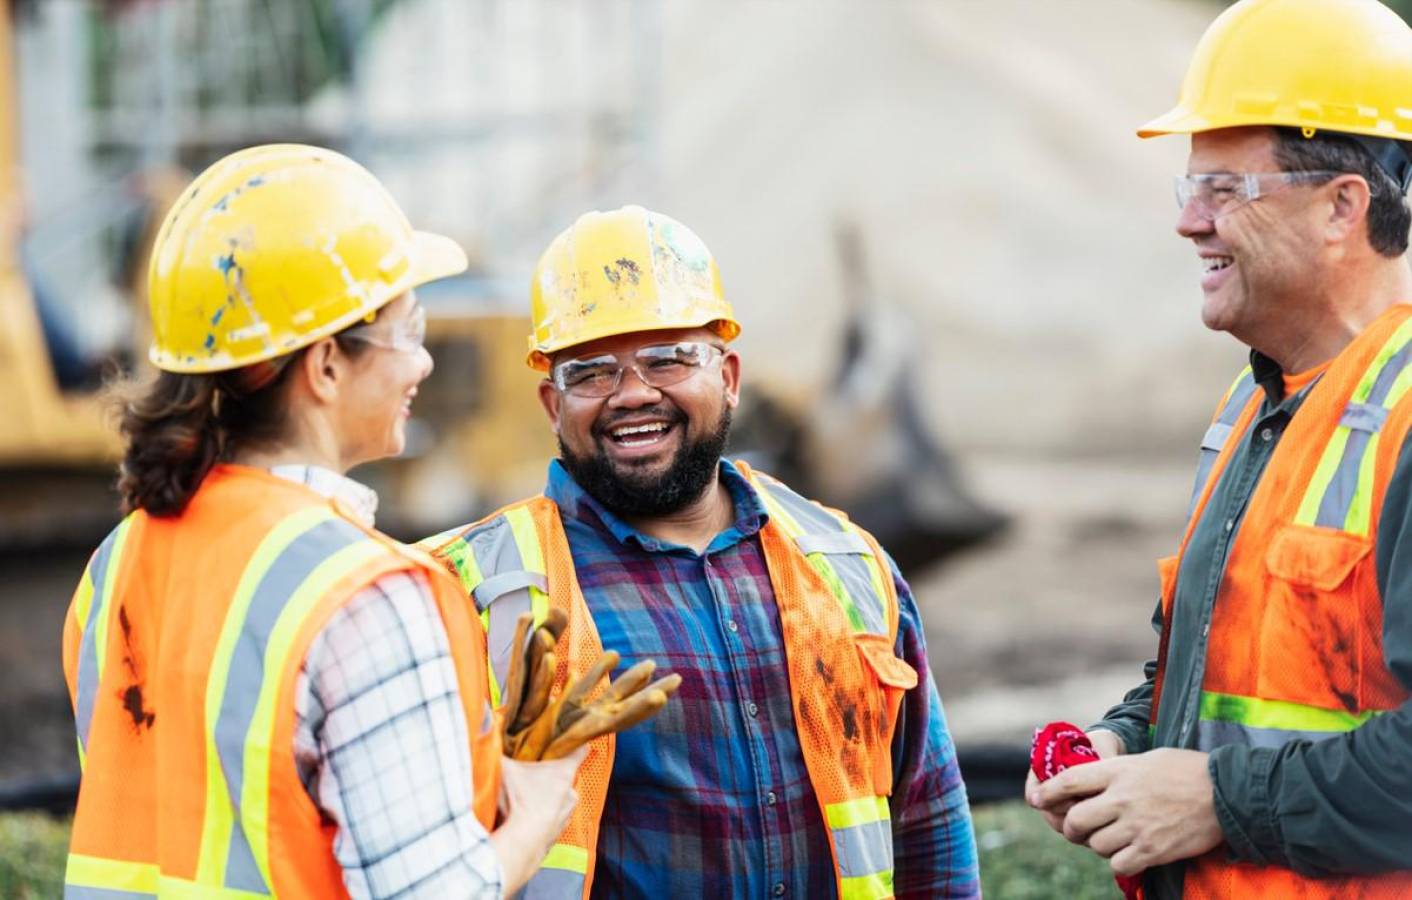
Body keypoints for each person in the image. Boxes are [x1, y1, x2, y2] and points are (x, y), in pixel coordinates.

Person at [61, 144, 582, 899]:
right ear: (327, 364)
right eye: (409, 331)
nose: (423, 363)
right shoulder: (368, 596)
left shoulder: (116, 563)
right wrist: (533, 818)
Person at [420, 205, 978, 899]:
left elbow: (927, 819)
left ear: (730, 377)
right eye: (591, 372)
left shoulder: (847, 564)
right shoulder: (466, 592)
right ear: (549, 405)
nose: (633, 394)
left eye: (668, 359)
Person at [1026, 0, 1412, 896]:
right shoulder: (1255, 399)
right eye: (1186, 188)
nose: (1188, 222)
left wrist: (1216, 799)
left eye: (1225, 190)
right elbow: (1226, 680)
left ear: (1341, 207)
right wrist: (1127, 739)